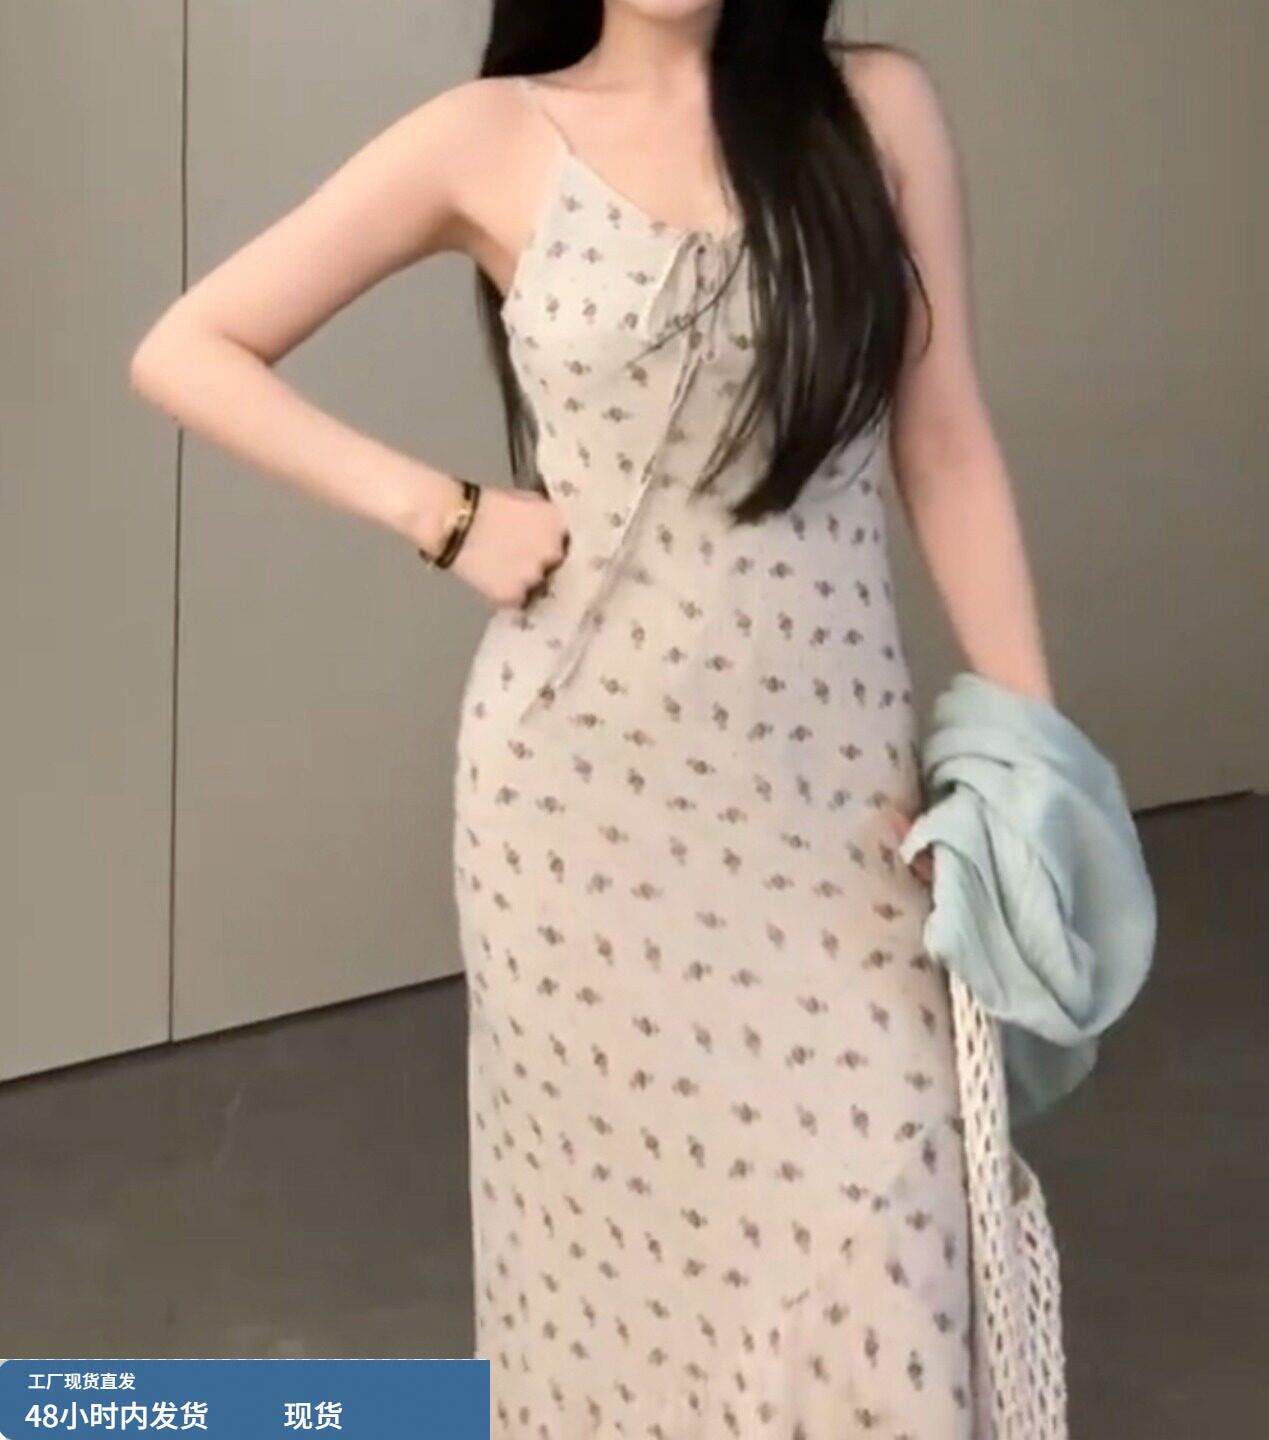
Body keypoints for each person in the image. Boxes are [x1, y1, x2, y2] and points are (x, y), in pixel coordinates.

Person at [130, 2, 1054, 1432]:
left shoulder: (872, 112)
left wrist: (1027, 771)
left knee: (886, 1239)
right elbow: (188, 348)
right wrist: (441, 513)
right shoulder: (492, 135)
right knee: (616, 1289)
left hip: (837, 822)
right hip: (579, 830)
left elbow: (946, 443)